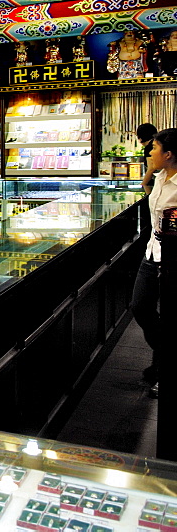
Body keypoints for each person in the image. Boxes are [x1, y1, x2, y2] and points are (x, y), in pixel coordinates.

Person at [130, 128, 177, 398]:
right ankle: (161, 357)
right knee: (140, 307)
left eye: (155, 148)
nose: (150, 152)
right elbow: (146, 189)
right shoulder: (160, 177)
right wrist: (151, 169)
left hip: (171, 260)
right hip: (152, 254)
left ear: (168, 154)